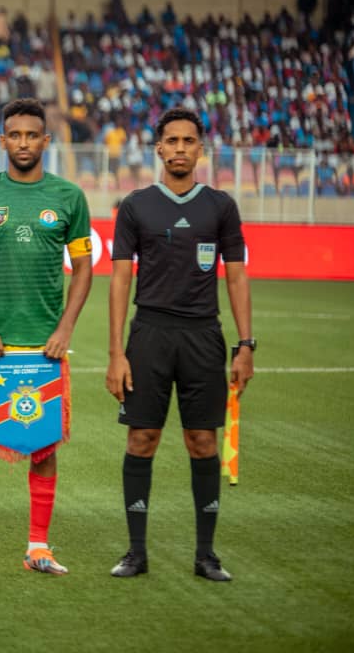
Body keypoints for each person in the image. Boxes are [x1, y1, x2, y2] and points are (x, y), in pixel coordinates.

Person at [0, 99, 93, 575]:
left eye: (32, 135)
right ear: (3, 140)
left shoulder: (69, 197)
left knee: (43, 444)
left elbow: (84, 267)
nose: (23, 143)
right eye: (15, 135)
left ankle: (38, 548)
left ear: (45, 140)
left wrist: (65, 328)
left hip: (44, 345)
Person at [106, 108, 254, 582]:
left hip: (203, 336)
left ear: (200, 149)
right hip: (149, 334)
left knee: (202, 441)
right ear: (159, 149)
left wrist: (245, 344)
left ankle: (206, 554)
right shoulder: (136, 206)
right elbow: (120, 281)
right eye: (171, 141)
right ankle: (136, 552)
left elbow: (237, 277)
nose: (180, 149)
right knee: (141, 439)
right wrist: (116, 352)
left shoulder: (221, 207)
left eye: (189, 141)